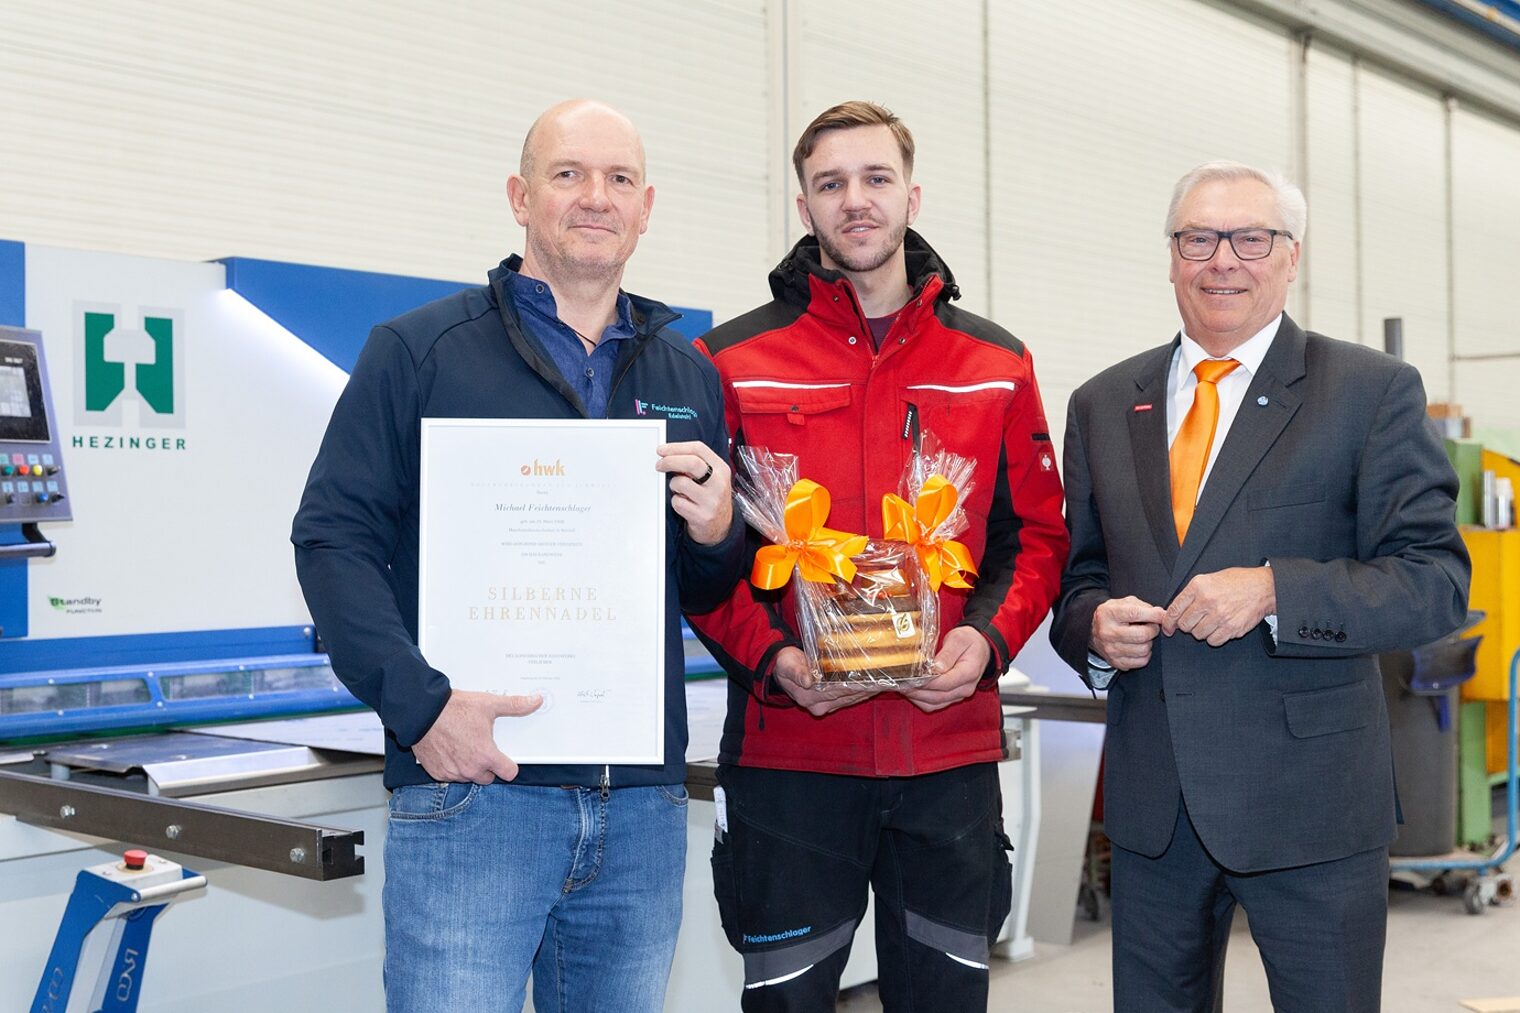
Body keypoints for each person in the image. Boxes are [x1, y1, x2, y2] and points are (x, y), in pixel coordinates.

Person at [291, 99, 744, 1013]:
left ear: (646, 207)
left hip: (640, 809)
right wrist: (421, 706)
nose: (596, 196)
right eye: (568, 173)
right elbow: (333, 537)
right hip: (474, 791)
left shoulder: (687, 376)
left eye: (619, 179)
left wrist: (717, 532)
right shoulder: (419, 352)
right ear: (519, 195)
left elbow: (699, 588)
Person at [1050, 160, 1470, 1011]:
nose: (1222, 260)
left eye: (1251, 238)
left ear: (1291, 255)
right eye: (1198, 239)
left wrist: (1277, 590)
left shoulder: (1369, 392)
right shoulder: (1103, 403)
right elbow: (1078, 575)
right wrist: (1092, 625)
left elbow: (1433, 579)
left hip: (1310, 806)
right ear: (1172, 255)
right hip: (1155, 807)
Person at [686, 100, 1069, 1011]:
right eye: (831, 184)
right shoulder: (728, 360)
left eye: (875, 178)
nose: (855, 200)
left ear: (911, 195)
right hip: (793, 757)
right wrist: (776, 662)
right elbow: (699, 556)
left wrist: (984, 641)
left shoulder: (996, 362)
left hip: (947, 755)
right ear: (804, 206)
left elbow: (1037, 536)